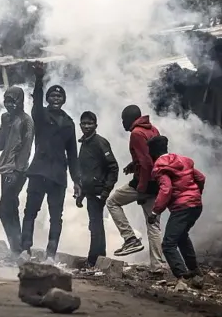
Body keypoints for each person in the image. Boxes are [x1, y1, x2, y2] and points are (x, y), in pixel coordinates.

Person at [20, 61, 80, 265]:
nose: (56, 99)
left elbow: (73, 154)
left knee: (56, 216)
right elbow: (36, 102)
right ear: (48, 99)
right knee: (30, 212)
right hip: (38, 172)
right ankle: (25, 249)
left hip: (58, 176)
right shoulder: (40, 116)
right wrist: (39, 79)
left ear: (63, 100)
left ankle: (51, 255)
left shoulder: (69, 123)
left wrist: (77, 180)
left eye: (59, 96)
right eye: (52, 96)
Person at [106, 104, 167, 272]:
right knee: (153, 225)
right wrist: (134, 165)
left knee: (112, 202)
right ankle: (158, 266)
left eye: (123, 120)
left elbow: (146, 163)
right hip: (157, 181)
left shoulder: (136, 133)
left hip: (145, 182)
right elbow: (153, 156)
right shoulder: (153, 129)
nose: (122, 123)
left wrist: (141, 189)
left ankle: (130, 239)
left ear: (129, 119)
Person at [146, 135, 205, 290]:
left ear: (152, 152)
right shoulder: (182, 160)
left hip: (181, 207)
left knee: (168, 244)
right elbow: (200, 177)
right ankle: (195, 271)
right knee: (182, 237)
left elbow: (166, 189)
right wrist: (195, 194)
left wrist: (155, 212)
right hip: (196, 205)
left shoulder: (160, 166)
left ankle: (182, 277)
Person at [0, 86, 34, 258]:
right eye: (7, 101)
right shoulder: (6, 118)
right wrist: (5, 124)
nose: (9, 105)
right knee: (11, 208)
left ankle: (17, 247)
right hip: (5, 168)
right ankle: (18, 249)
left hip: (17, 171)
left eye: (12, 101)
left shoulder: (26, 121)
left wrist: (16, 171)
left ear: (20, 101)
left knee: (3, 209)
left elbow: (26, 149)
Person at [76, 111, 118, 268]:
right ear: (80, 125)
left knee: (95, 225)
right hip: (90, 191)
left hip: (98, 191)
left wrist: (106, 190)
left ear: (96, 125)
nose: (87, 126)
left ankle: (93, 260)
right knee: (95, 224)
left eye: (90, 123)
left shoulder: (100, 142)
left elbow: (113, 167)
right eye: (84, 123)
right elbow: (85, 172)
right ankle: (99, 257)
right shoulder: (84, 143)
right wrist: (81, 194)